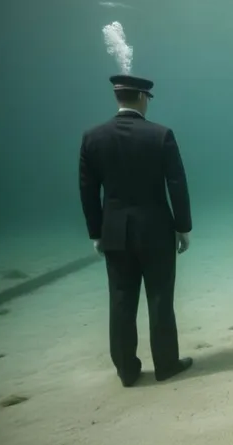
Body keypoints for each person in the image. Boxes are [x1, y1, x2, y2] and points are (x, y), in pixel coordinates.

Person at [78, 74, 194, 387]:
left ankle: (127, 371)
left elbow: (88, 191)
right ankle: (166, 365)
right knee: (159, 298)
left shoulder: (92, 138)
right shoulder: (161, 135)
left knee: (120, 300)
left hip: (114, 231)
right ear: (143, 98)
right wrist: (183, 227)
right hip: (156, 230)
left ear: (119, 98)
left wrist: (96, 233)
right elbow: (177, 184)